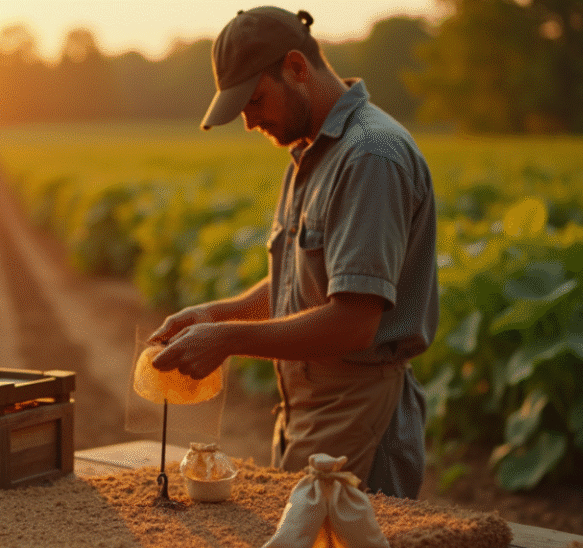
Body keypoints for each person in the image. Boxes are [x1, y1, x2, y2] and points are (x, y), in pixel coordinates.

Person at [148, 6, 438, 498]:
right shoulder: (312, 152)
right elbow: (304, 285)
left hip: (358, 407)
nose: (249, 121)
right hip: (311, 405)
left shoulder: (369, 156)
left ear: (297, 69)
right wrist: (214, 315)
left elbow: (353, 321)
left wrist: (227, 340)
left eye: (256, 100)